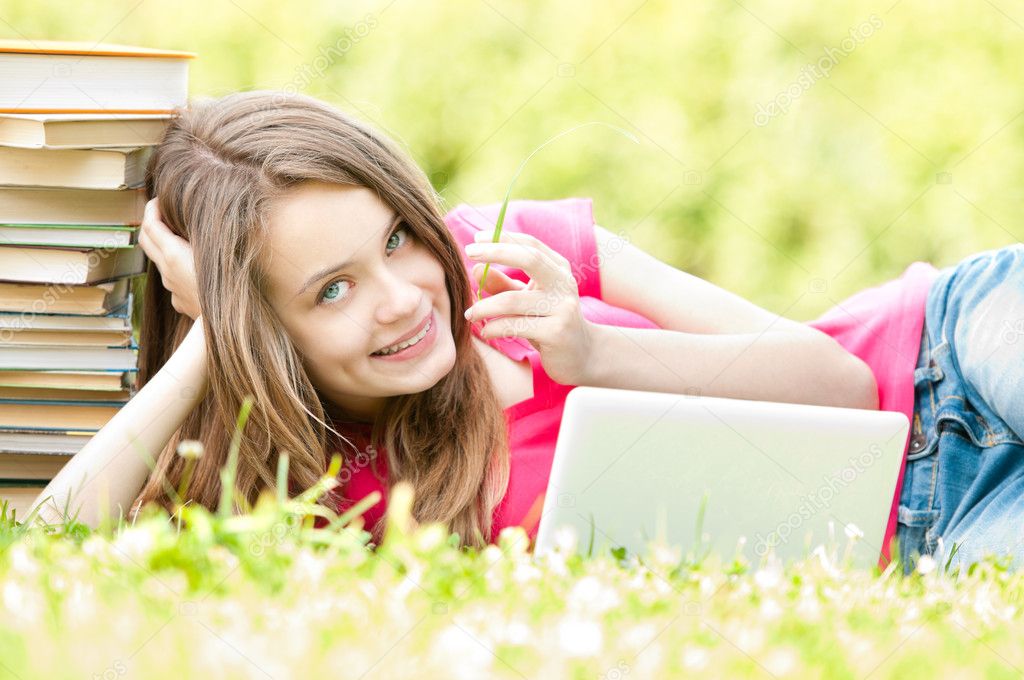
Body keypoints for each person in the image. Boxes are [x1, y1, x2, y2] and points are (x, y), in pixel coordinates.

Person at [28, 89, 882, 554]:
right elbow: (49, 547)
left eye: (398, 238)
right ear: (264, 336)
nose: (401, 297)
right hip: (934, 518)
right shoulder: (311, 485)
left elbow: (845, 385)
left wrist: (594, 351)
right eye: (332, 290)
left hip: (937, 353)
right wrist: (214, 339)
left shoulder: (506, 256)